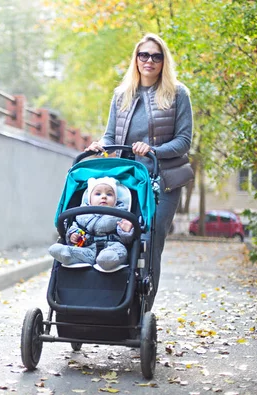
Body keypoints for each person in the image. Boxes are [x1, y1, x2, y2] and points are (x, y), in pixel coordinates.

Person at [85, 33, 193, 309]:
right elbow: (112, 135)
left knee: (152, 239)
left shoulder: (178, 94)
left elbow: (184, 141)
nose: (149, 61)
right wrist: (101, 145)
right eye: (143, 55)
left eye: (156, 56)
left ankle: (144, 308)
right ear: (135, 59)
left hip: (163, 181)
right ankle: (116, 299)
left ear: (163, 61)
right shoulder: (122, 95)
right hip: (128, 180)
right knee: (120, 232)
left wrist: (153, 150)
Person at [49, 177, 134, 273]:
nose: (104, 197)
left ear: (115, 200)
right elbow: (75, 228)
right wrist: (73, 236)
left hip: (112, 246)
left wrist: (126, 231)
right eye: (98, 194)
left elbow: (127, 241)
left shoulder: (120, 215)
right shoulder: (82, 214)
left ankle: (107, 260)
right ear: (89, 199)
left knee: (117, 252)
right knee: (75, 250)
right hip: (88, 248)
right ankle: (67, 254)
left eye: (109, 194)